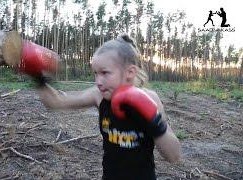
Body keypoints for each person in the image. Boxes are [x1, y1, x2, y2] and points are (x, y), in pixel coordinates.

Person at [19, 34, 180, 179]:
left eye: (105, 73)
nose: (98, 81)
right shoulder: (98, 95)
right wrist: (37, 77)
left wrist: (153, 120)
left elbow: (173, 155)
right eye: (95, 73)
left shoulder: (150, 99)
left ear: (130, 72)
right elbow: (56, 102)